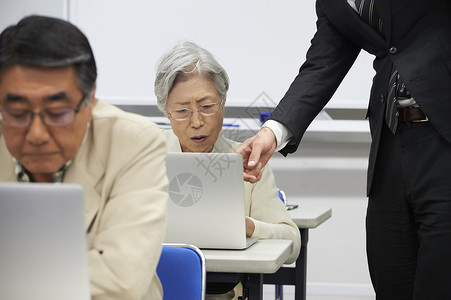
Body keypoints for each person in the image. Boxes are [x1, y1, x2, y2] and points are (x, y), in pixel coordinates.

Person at [236, 1, 451, 299]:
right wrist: (273, 131)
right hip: (390, 143)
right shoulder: (333, 4)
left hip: (443, 137)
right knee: (391, 274)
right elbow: (323, 64)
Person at [0, 16, 168, 299]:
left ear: (90, 101)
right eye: (17, 113)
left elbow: (120, 283)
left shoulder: (134, 142)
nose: (37, 134)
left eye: (57, 113)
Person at [154, 41, 301, 299]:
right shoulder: (144, 156)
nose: (197, 122)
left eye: (207, 107)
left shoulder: (247, 161)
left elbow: (292, 243)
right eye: (182, 111)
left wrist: (249, 227)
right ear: (166, 111)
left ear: (223, 102)